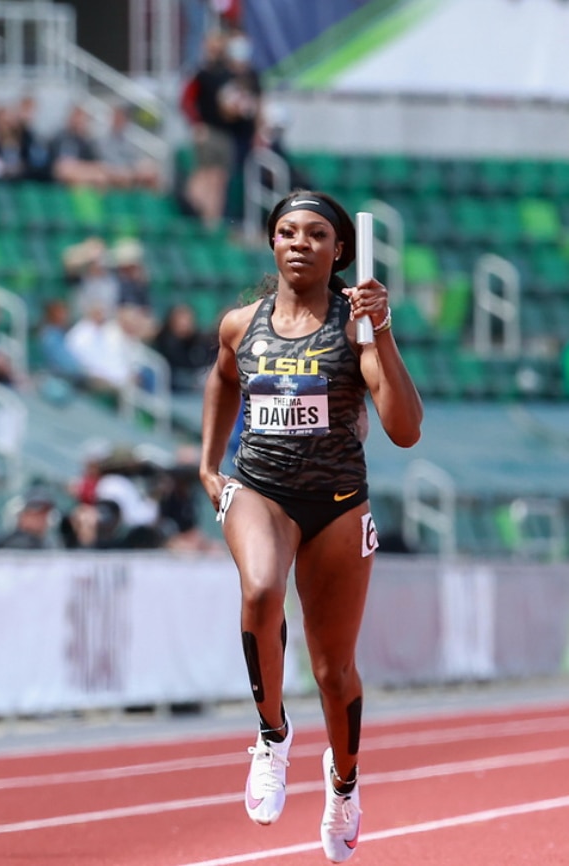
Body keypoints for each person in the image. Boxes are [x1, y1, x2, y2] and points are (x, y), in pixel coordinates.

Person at [198, 191, 422, 863]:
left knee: (333, 669)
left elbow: (405, 431)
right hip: (260, 489)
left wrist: (380, 330)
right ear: (272, 244)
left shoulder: (356, 328)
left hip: (339, 501)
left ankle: (343, 784)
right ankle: (272, 737)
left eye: (316, 234)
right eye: (287, 231)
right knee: (261, 592)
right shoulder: (241, 324)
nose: (299, 242)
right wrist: (210, 464)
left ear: (339, 251)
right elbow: (221, 379)